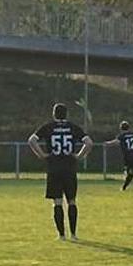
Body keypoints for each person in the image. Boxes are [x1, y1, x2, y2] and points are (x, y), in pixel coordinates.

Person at [28, 103, 93, 241]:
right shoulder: (73, 127)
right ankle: (74, 234)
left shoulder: (48, 127)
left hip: (54, 168)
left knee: (57, 201)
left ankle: (62, 235)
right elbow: (89, 142)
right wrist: (79, 156)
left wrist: (41, 155)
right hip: (70, 168)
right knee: (72, 201)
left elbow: (32, 140)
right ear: (66, 114)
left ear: (54, 114)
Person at [104, 121, 133, 191]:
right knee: (131, 172)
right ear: (129, 127)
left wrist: (107, 143)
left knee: (128, 172)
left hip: (128, 156)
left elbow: (116, 142)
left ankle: (124, 186)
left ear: (121, 129)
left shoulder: (121, 136)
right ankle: (125, 185)